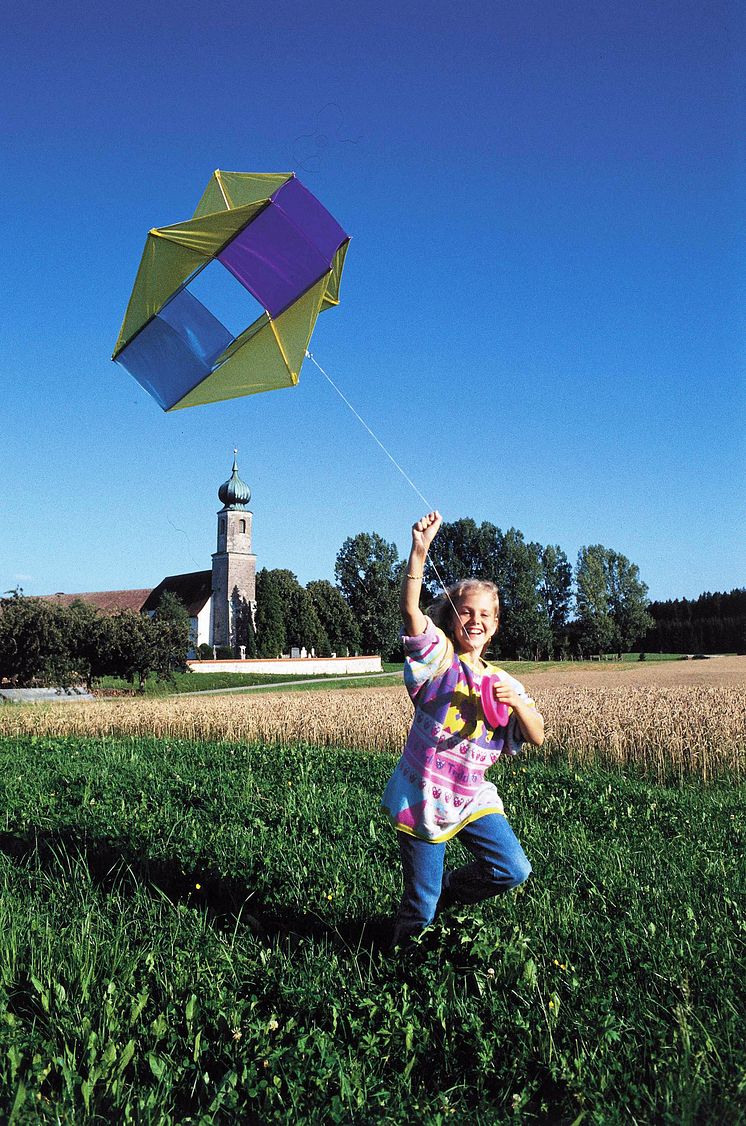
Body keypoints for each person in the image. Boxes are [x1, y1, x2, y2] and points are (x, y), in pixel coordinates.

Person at [381, 511, 545, 946]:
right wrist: (419, 551)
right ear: (453, 618)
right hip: (424, 797)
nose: (476, 620)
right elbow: (410, 609)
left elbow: (537, 734)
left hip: (471, 798)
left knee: (513, 869)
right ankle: (403, 962)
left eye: (486, 615)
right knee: (421, 902)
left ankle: (451, 891)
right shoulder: (438, 661)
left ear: (494, 625)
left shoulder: (501, 683)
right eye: (467, 611)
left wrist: (520, 706)